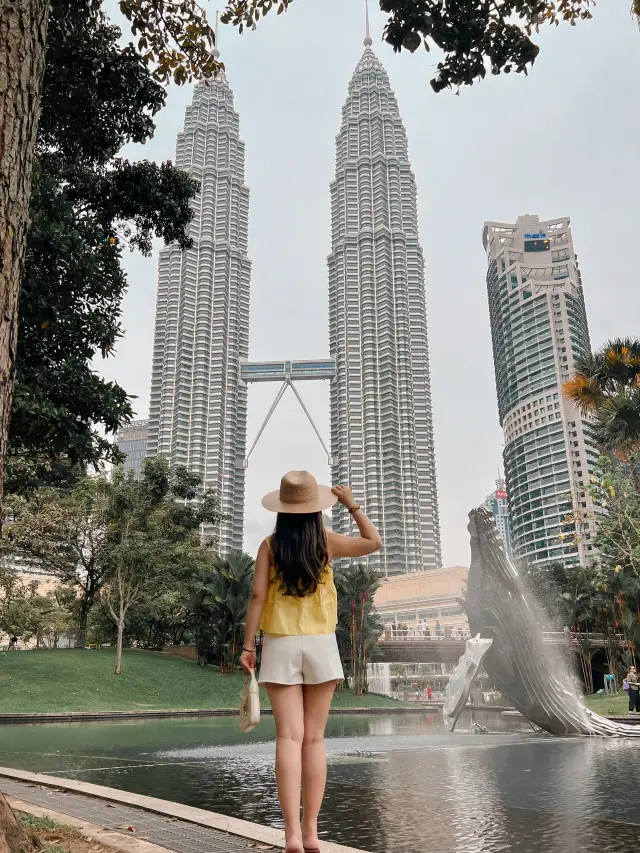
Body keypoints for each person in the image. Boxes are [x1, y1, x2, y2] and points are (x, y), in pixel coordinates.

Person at [240, 471, 382, 853]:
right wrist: (351, 503)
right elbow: (373, 542)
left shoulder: (270, 546)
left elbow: (256, 597)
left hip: (281, 643)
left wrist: (248, 645)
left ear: (283, 510)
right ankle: (311, 832)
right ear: (317, 509)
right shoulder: (327, 543)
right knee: (315, 739)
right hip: (320, 644)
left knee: (288, 737)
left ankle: (290, 836)